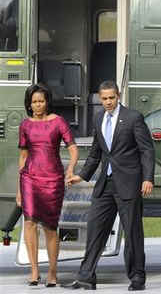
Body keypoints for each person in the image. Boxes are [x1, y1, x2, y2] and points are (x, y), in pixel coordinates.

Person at [62, 80, 155, 291]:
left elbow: (147, 150)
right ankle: (86, 277)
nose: (108, 102)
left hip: (129, 184)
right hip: (105, 185)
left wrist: (147, 178)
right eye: (104, 99)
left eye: (111, 98)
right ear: (100, 99)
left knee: (132, 233)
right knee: (95, 230)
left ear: (118, 96)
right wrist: (81, 176)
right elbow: (96, 153)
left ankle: (137, 278)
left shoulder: (133, 118)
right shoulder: (98, 118)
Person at [16, 83, 78, 287]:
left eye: (41, 101)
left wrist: (70, 169)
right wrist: (19, 189)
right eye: (34, 102)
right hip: (29, 179)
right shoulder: (25, 125)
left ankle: (52, 271)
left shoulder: (58, 122)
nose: (38, 105)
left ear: (47, 102)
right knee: (29, 223)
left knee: (51, 227)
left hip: (52, 179)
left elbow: (73, 148)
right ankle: (34, 271)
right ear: (29, 104)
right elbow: (23, 156)